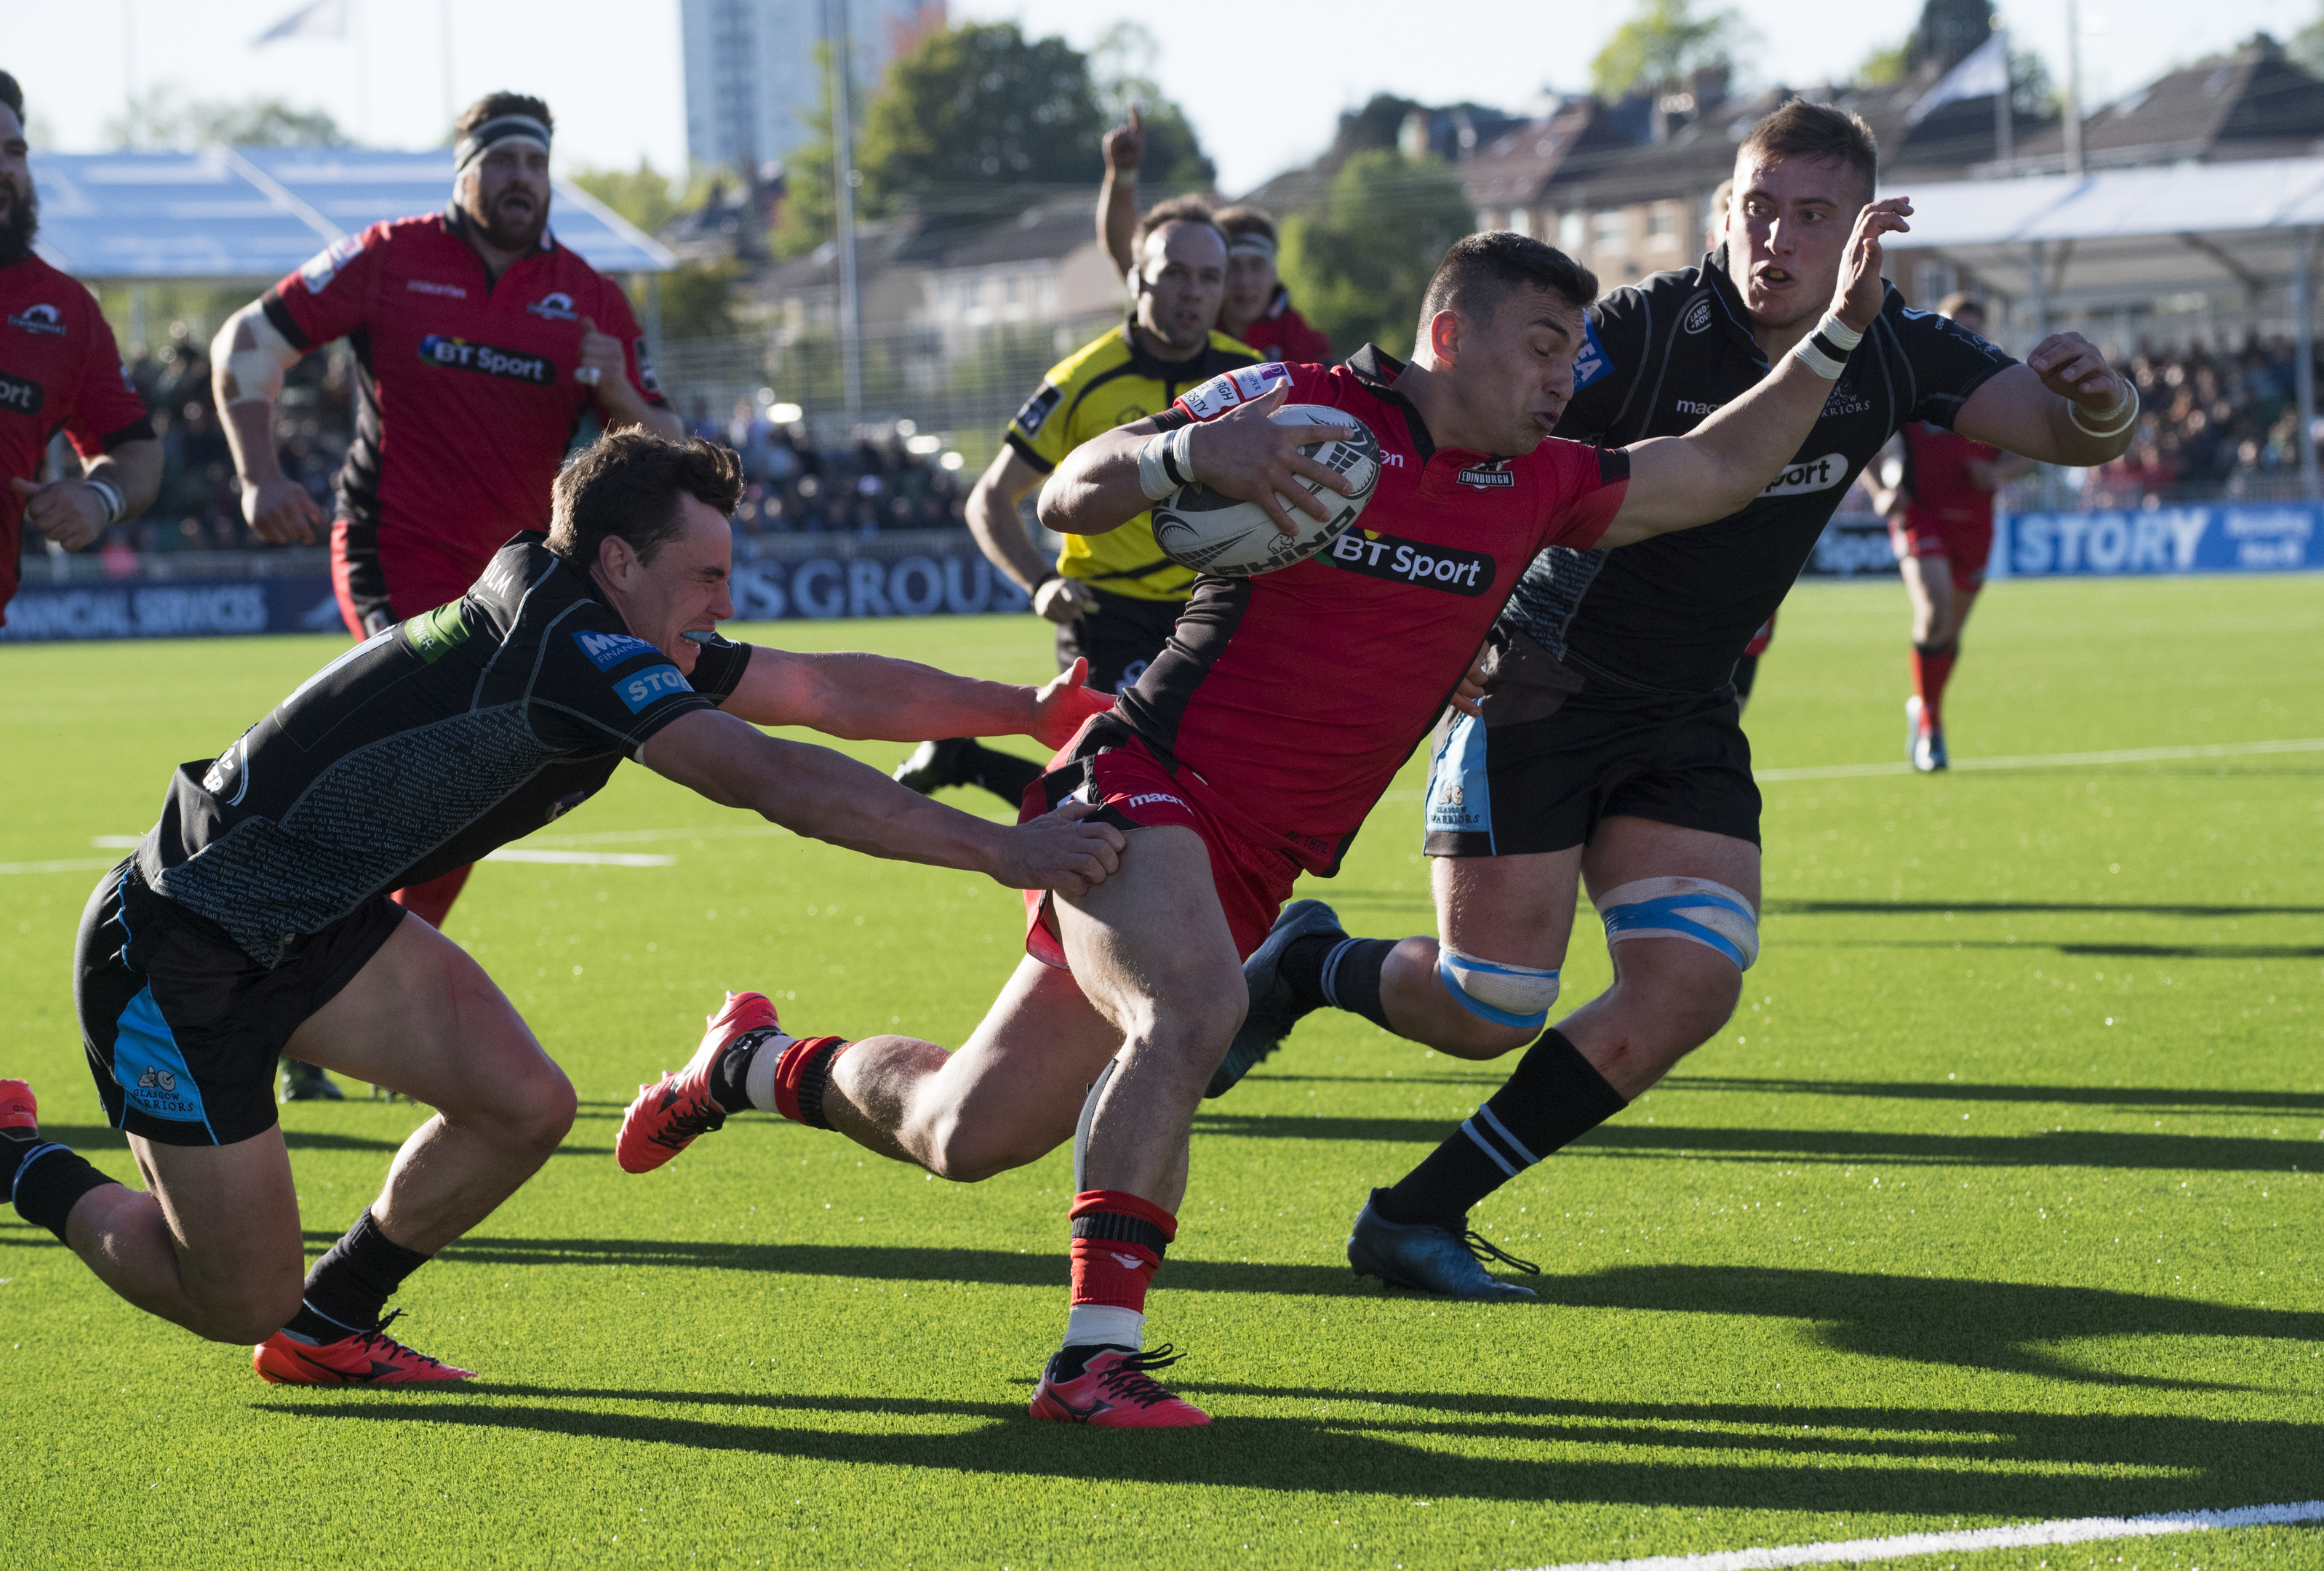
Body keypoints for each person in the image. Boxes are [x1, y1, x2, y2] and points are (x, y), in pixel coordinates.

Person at [619, 208, 1912, 1426]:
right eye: (1543, 346)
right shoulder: (1308, 409)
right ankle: (1096, 1359)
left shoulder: (1546, 482)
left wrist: (1839, 333)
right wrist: (1190, 453)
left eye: (1574, 351)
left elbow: (1722, 468)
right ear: (1450, 336)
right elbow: (1074, 490)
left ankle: (745, 1063)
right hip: (1145, 784)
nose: (1565, 376)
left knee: (965, 1132)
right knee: (1196, 1010)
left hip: (1256, 863)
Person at [1211, 103, 2138, 1303]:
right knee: (1487, 1005)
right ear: (1722, 211)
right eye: (1758, 208)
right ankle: (1308, 965)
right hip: (1537, 685)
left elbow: (2066, 432)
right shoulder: (1639, 335)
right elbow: (1475, 431)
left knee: (1692, 982)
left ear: (1861, 229)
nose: (1778, 239)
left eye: (1812, 216)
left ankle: (1418, 1213)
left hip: (1686, 708)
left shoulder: (1899, 342)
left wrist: (2100, 395)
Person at [0, 431, 1121, 1387]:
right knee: (232, 1298)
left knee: (524, 1107)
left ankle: (329, 1326)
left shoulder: (601, 620)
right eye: (704, 576)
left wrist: (1025, 709)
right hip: (178, 945)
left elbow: (819, 690)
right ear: (620, 558)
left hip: (314, 922)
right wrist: (1001, 848)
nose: (724, 603)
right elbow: (773, 776)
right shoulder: (568, 645)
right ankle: (17, 1163)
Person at [211, 91, 683, 1099]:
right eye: (500, 159)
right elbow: (246, 342)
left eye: (534, 162)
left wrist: (624, 399)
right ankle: (307, 982)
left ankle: (337, 993)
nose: (520, 177)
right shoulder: (388, 257)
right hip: (398, 557)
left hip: (519, 583)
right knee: (425, 757)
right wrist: (258, 473)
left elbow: (666, 457)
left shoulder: (592, 299)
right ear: (462, 174)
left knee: (478, 784)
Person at [892, 199, 1257, 805]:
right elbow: (990, 499)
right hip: (1107, 615)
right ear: (1137, 277)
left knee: (1206, 786)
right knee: (1111, 792)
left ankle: (962, 757)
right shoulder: (1079, 380)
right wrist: (1039, 584)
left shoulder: (1251, 380)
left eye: (1208, 277)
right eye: (1174, 272)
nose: (1192, 291)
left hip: (1215, 609)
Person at [0, 72, 161, 625]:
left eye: (15, 151)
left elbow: (137, 451)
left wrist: (99, 499)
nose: (5, 168)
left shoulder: (66, 311)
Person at [1866, 292, 2036, 771]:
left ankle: (1925, 706)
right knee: (1935, 614)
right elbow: (1861, 438)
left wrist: (1999, 475)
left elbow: (2041, 446)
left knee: (1949, 632)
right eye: (1954, 327)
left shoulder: (2001, 385)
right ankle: (1931, 730)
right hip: (1920, 514)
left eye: (1971, 330)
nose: (1963, 337)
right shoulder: (1910, 383)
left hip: (1975, 522)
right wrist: (1882, 489)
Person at [1097, 108, 1332, 364]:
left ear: (1275, 273)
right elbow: (1124, 247)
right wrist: (1123, 174)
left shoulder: (1301, 339)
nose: (1245, 281)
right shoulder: (1190, 312)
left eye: (1257, 266)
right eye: (1233, 267)